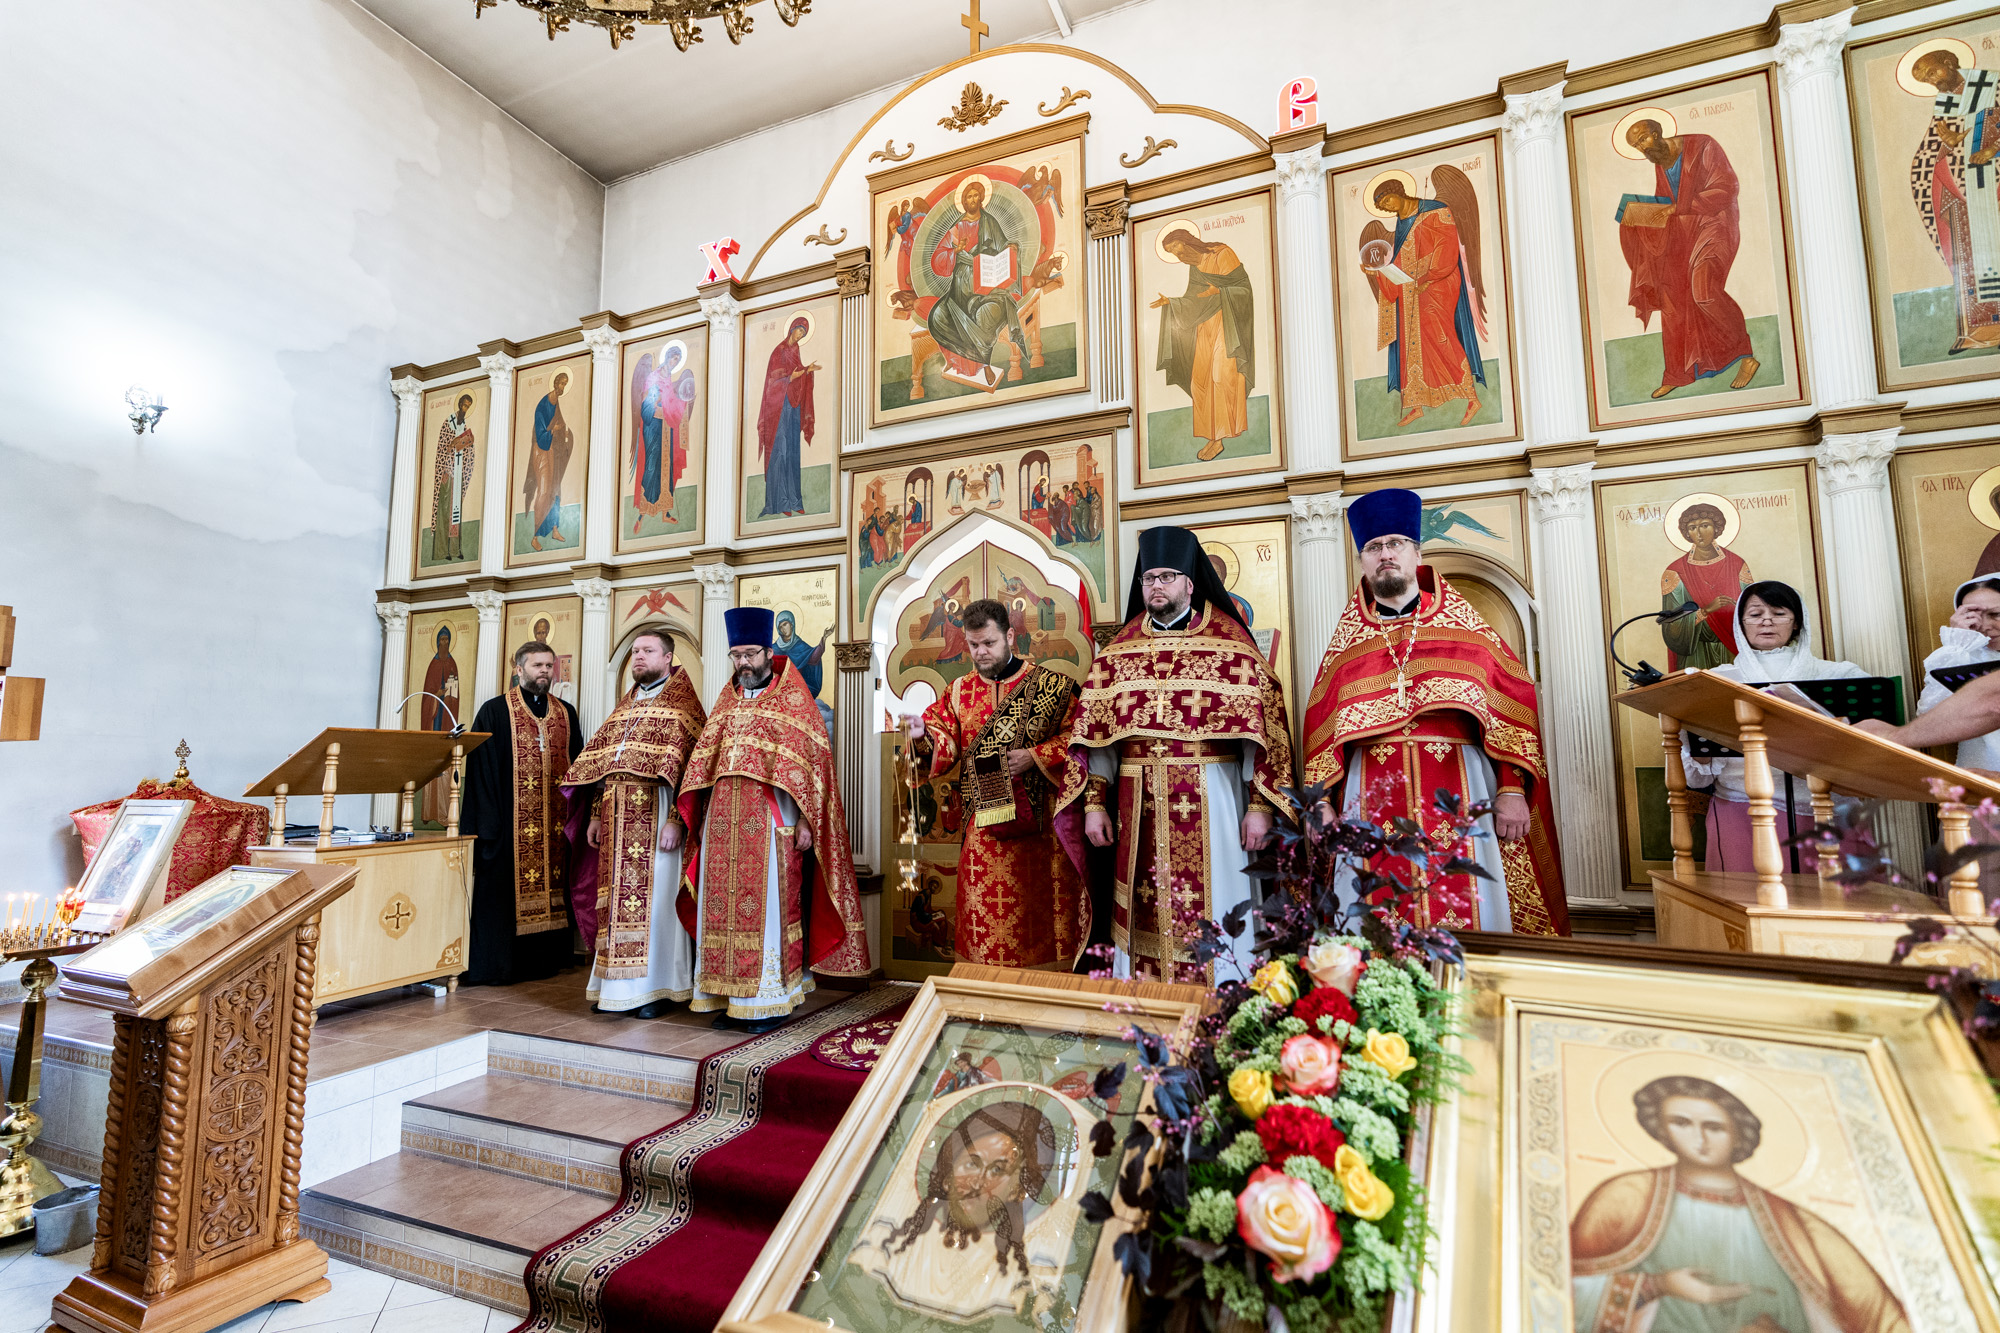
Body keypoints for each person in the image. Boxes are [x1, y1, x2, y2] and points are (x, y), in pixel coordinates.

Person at [1302, 488, 1567, 935]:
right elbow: (1321, 730)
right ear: (1363, 562)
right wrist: (1321, 803)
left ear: (1417, 553)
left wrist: (1511, 789)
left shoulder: (1466, 630)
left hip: (1460, 787)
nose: (1385, 555)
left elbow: (1509, 711)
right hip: (1371, 793)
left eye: (1395, 544)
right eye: (1373, 548)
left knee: (1470, 899)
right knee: (1374, 910)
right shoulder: (1347, 647)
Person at [1070, 525, 1294, 982]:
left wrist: (1259, 808)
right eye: (1149, 578)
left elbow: (1263, 733)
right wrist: (1094, 805)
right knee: (1141, 905)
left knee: (1220, 897)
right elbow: (1099, 739)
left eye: (1167, 577)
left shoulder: (1231, 644)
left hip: (1213, 794)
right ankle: (1142, 1002)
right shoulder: (1118, 652)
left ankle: (1225, 992)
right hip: (1136, 802)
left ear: (1190, 583)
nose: (1157, 586)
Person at [1570, 1076, 1907, 1332]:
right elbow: (1557, 1290)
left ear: (1738, 1133)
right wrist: (1657, 1286)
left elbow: (1879, 1315)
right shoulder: (1625, 1198)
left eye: (1714, 1127)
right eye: (1681, 1123)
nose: (1699, 1140)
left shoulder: (1797, 1225)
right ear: (1661, 1127)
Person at [676, 608, 868, 1031]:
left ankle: (767, 1000)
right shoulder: (726, 700)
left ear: (768, 652)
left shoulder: (794, 700)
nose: (743, 663)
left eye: (749, 654)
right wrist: (700, 818)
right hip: (721, 825)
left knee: (765, 916)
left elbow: (814, 770)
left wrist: (806, 822)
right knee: (718, 913)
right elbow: (706, 764)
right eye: (736, 656)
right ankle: (726, 996)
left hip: (770, 823)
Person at [905, 598, 1087, 969]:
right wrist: (923, 734)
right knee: (983, 914)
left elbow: (1081, 738)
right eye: (973, 645)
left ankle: (1048, 988)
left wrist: (1035, 756)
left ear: (1010, 636)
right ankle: (983, 989)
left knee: (1040, 913)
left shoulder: (1053, 687)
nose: (980, 652)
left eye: (989, 643)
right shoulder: (958, 692)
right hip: (983, 826)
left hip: (1041, 829)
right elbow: (944, 741)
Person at [560, 627, 707, 1018]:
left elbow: (691, 773)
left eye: (647, 650)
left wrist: (677, 821)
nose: (638, 656)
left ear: (668, 658)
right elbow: (603, 767)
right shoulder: (624, 708)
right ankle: (615, 989)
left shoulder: (684, 707)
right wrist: (595, 814)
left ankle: (658, 989)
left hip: (657, 819)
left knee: (656, 906)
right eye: (635, 651)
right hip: (615, 821)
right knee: (616, 903)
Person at [1679, 582, 1865, 873]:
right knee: (1747, 897)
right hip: (1740, 810)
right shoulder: (1716, 681)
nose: (1766, 621)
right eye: (1755, 614)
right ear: (1741, 624)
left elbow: (1869, 750)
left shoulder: (1841, 675)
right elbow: (1698, 778)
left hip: (1827, 810)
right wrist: (1698, 732)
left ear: (1797, 622)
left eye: (1778, 613)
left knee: (1831, 898)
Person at [849, 1098, 1075, 1323]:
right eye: (972, 1164)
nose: (977, 1183)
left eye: (997, 1170)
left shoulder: (1026, 1277)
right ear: (948, 1173)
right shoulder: (887, 1243)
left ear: (1017, 1191)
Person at [460, 641, 583, 986]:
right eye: (536, 665)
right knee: (502, 898)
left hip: (555, 827)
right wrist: (489, 829)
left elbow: (578, 768)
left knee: (554, 889)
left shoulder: (565, 713)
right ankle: (501, 967)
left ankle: (546, 961)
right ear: (518, 669)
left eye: (548, 665)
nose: (544, 671)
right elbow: (481, 772)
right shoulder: (495, 711)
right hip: (507, 827)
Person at [1619, 118, 1759, 399]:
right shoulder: (1660, 161)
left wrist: (1676, 209)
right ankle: (1677, 373)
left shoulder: (1702, 145)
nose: (1642, 148)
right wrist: (1643, 215)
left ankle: (1746, 356)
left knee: (1704, 291)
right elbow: (1667, 201)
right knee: (1670, 292)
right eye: (1636, 146)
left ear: (1657, 132)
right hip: (1685, 233)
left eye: (1643, 139)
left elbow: (1727, 188)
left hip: (1715, 226)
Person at [1364, 171, 1487, 429]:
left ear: (1398, 191)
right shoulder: (1402, 224)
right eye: (1382, 207)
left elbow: (1447, 247)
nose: (1387, 208)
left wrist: (1428, 276)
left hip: (1437, 285)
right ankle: (1417, 404)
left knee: (1442, 338)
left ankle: (1471, 398)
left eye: (1387, 200)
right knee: (1410, 344)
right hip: (1411, 291)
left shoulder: (1436, 210)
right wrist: (1377, 273)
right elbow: (1400, 261)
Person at [1908, 47, 2000, 354]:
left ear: (1950, 62)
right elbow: (1934, 148)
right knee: (1970, 256)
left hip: (1996, 181)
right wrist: (1948, 144)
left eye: (1933, 73)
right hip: (1964, 190)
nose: (1934, 82)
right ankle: (1982, 330)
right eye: (1927, 81)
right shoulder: (1944, 104)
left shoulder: (1991, 84)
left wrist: (1993, 150)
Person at [1151, 225, 1256, 461]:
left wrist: (1219, 291)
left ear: (1186, 239)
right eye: (1171, 251)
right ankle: (1212, 436)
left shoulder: (1221, 254)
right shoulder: (1195, 267)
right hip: (1204, 328)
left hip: (1227, 326)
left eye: (1175, 246)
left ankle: (1220, 437)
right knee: (1199, 380)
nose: (1176, 253)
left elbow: (1243, 289)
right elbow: (1194, 300)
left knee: (1220, 376)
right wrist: (1172, 303)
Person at [926, 178, 1029, 389]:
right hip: (961, 287)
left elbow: (1002, 245)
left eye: (976, 196)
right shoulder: (957, 227)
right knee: (938, 318)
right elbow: (938, 259)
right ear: (963, 201)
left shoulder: (990, 222)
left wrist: (1011, 248)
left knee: (987, 316)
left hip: (987, 282)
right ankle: (958, 361)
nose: (972, 200)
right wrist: (955, 250)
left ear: (981, 199)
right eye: (968, 197)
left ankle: (985, 364)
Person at [1915, 577, 2000, 771]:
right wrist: (1957, 645)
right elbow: (1930, 719)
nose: (1985, 626)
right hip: (1979, 776)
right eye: (1973, 616)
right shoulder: (1960, 656)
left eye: (1996, 614)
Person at [1662, 502, 1751, 671]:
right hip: (1697, 653)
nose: (1699, 533)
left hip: (1733, 650)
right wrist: (1706, 611)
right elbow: (1672, 626)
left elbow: (1752, 609)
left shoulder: (1737, 564)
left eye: (1704, 526)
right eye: (1692, 528)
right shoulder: (1675, 572)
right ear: (1687, 533)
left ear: (1716, 528)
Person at [630, 343, 695, 534]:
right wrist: (658, 406)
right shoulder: (653, 377)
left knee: (668, 468)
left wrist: (683, 403)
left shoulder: (669, 379)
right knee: (651, 467)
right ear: (667, 357)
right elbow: (647, 406)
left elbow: (671, 402)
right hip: (652, 428)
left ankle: (665, 512)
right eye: (673, 359)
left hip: (666, 429)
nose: (674, 363)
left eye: (677, 361)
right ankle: (642, 514)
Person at [757, 317, 818, 518]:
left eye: (803, 333)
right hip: (778, 411)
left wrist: (807, 372)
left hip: (792, 408)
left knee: (792, 452)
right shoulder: (779, 351)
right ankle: (780, 502)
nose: (800, 335)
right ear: (792, 329)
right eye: (799, 331)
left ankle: (794, 500)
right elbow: (772, 382)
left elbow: (797, 374)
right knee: (780, 452)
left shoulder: (795, 351)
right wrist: (791, 378)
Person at [418, 625, 463, 827]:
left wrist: (450, 695)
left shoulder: (452, 664)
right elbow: (426, 697)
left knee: (446, 765)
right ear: (437, 642)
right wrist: (436, 696)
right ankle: (427, 813)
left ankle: (445, 815)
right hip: (433, 719)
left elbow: (456, 694)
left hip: (446, 718)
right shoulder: (433, 665)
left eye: (446, 640)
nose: (444, 643)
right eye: (441, 640)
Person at [524, 371, 572, 551]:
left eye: (565, 385)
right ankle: (535, 536)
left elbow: (560, 424)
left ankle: (555, 529)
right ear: (555, 383)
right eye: (561, 384)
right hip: (541, 451)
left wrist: (564, 434)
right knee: (544, 491)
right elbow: (540, 433)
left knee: (556, 490)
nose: (562, 387)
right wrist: (553, 430)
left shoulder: (556, 403)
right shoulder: (543, 405)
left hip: (553, 451)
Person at [432, 392, 477, 561]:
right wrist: (451, 445)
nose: (465, 409)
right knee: (444, 511)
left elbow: (469, 451)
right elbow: (442, 448)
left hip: (458, 476)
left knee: (456, 513)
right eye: (464, 405)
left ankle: (455, 550)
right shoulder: (448, 423)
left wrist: (469, 444)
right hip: (447, 474)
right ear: (459, 405)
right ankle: (442, 551)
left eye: (468, 407)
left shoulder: (463, 426)